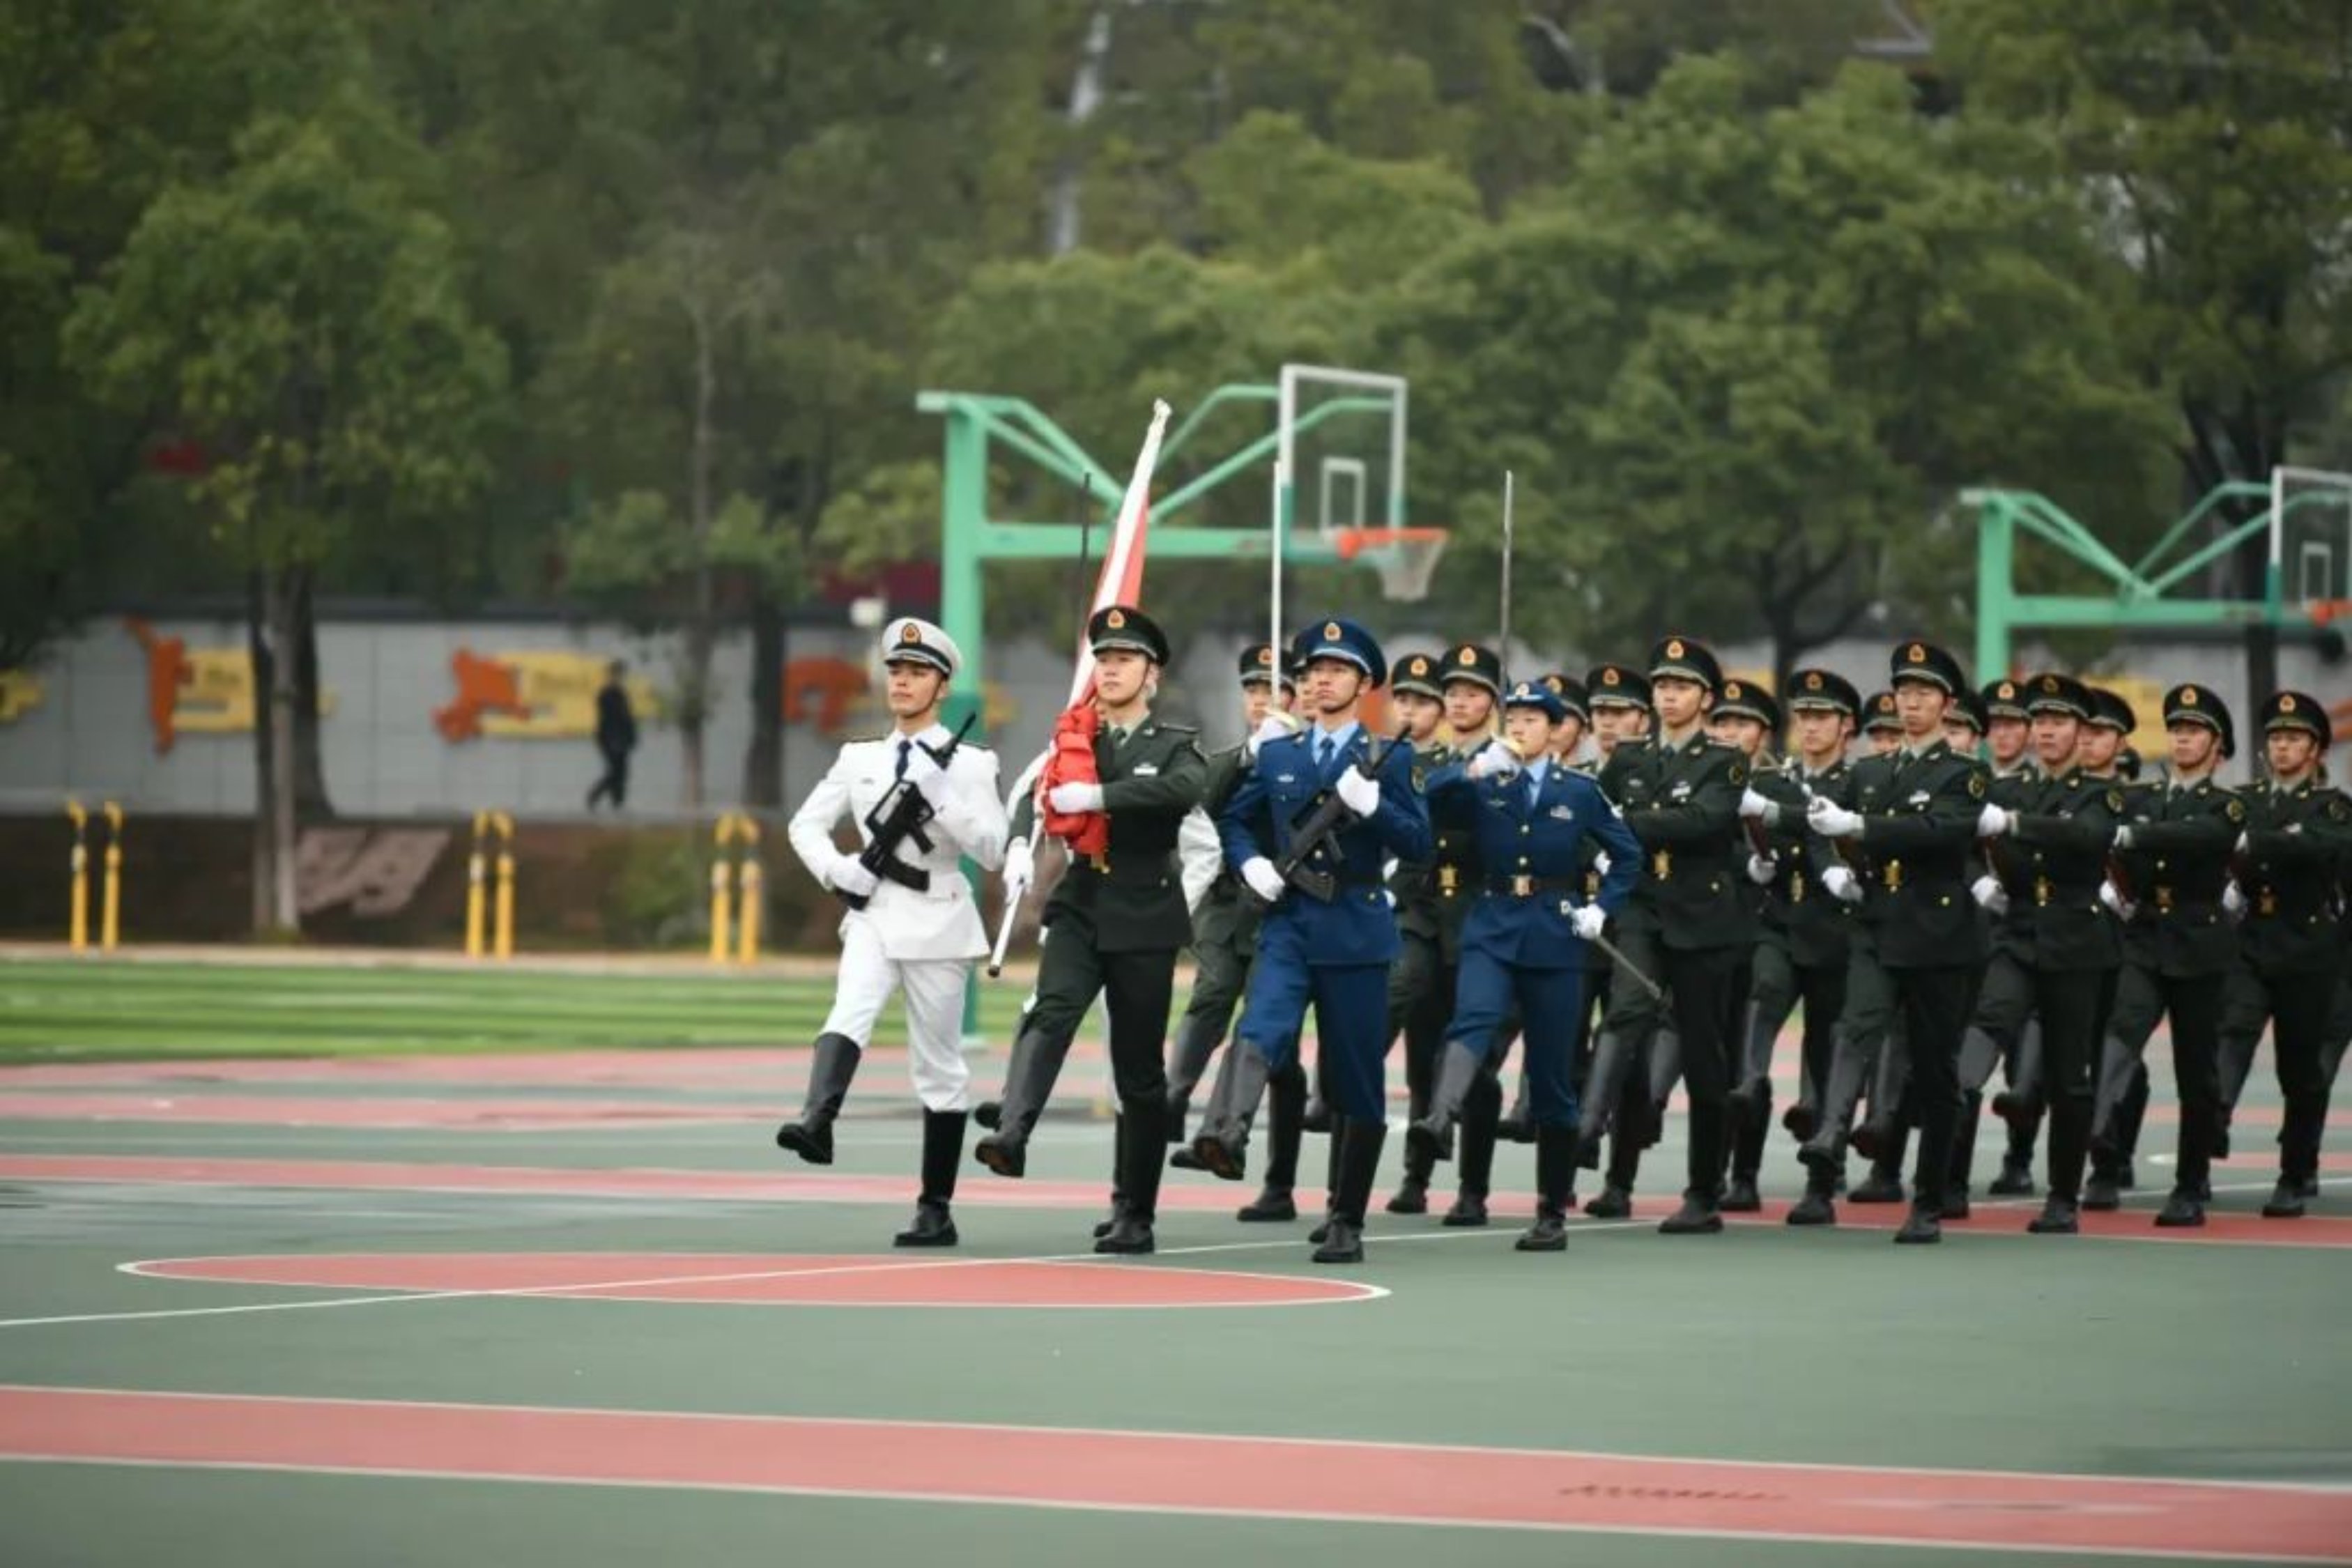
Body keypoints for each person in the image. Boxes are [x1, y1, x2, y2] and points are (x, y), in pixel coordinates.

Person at [1191, 617, 1432, 1265]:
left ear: (1363, 683)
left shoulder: (1391, 758)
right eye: (1312, 672)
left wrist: (1374, 805)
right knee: (1260, 1027)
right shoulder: (1280, 754)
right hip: (1290, 923)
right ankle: (1225, 1132)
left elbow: (1419, 843)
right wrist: (1251, 864)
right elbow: (1233, 821)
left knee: (1354, 1081)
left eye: (1335, 671)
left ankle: (1345, 1217)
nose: (1320, 681)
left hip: (1356, 930)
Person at [972, 605, 1206, 1256]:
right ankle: (1012, 1132)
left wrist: (1100, 798)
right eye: (1102, 659)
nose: (1110, 670)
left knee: (1138, 1071)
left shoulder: (1173, 743)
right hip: (1081, 900)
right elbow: (1034, 792)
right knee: (1052, 1009)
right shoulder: (1074, 738)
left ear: (1151, 674)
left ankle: (1134, 1210)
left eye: (1124, 660)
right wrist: (1019, 845)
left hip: (1144, 909)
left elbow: (1183, 791)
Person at [775, 618, 1008, 1247]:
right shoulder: (860, 758)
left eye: (917, 673)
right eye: (896, 671)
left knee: (939, 1069)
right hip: (875, 912)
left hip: (939, 921)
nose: (902, 682)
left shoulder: (971, 763)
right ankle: (816, 1120)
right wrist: (838, 869)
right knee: (849, 1008)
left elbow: (992, 850)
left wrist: (943, 798)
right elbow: (804, 826)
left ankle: (935, 1207)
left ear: (942, 686)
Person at [1408, 680, 1640, 1250]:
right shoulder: (1485, 782)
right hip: (1492, 924)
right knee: (1472, 1019)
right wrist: (1470, 770)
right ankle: (1439, 1118)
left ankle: (1550, 1212)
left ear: (1556, 731)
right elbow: (1423, 802)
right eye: (1513, 718)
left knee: (1551, 1074)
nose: (1519, 727)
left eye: (1533, 719)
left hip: (1555, 934)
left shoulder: (1578, 791)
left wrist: (1601, 909)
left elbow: (1627, 854)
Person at [1803, 642, 1988, 1245]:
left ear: (1946, 704)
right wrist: (1832, 867)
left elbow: (1941, 832)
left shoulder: (1963, 773)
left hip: (1938, 934)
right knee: (1855, 1024)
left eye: (1923, 693)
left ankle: (1929, 1198)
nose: (1910, 703)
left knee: (1933, 1071)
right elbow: (1819, 824)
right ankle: (1830, 1132)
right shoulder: (1870, 772)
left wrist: (1860, 826)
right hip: (1876, 924)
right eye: (1903, 692)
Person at [1585, 636, 1754, 1235]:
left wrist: (1624, 826)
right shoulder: (1630, 757)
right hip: (1642, 909)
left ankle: (1703, 1191)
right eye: (1660, 685)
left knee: (1704, 1055)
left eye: (1680, 686)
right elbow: (1593, 814)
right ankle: (1590, 1129)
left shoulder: (1724, 759)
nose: (1667, 696)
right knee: (1625, 1012)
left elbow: (1703, 821)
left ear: (1705, 698)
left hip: (1703, 920)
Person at [1972, 673, 2127, 1235]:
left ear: (2081, 731)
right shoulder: (2012, 789)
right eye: (2038, 721)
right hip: (2017, 932)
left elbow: (2086, 837)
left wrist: (2013, 826)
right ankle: (1946, 1122)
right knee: (1986, 1023)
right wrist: (1981, 875)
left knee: (2067, 1077)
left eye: (2058, 722)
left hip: (2075, 941)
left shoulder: (2100, 794)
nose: (2045, 731)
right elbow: (1973, 839)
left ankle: (2062, 1196)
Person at [2090, 682, 2243, 1227]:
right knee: (2119, 1030)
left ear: (2216, 746)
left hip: (2199, 941)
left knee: (2194, 1071)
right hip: (2144, 934)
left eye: (2194, 731)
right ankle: (2099, 1133)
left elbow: (2201, 838)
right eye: (2176, 729)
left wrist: (2133, 838)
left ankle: (2189, 1182)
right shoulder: (2142, 799)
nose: (2181, 738)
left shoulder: (2226, 805)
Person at [1383, 643, 1505, 1224]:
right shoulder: (1427, 762)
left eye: (1472, 693)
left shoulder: (1505, 764)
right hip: (1425, 915)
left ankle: (1472, 1189)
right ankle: (1416, 1174)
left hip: (1480, 920)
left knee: (1474, 1062)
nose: (1459, 702)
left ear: (1492, 702)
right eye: (1452, 692)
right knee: (1420, 1052)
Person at [1740, 668, 1860, 1226]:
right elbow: (1751, 837)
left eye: (1821, 717)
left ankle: (1820, 1181)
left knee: (1825, 1050)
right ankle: (1749, 1088)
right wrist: (1755, 865)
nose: (1809, 726)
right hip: (1781, 921)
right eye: (1803, 716)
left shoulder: (1858, 783)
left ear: (1845, 725)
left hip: (1837, 932)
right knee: (1762, 992)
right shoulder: (1775, 783)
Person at [2229, 692, 2352, 1217]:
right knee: (2230, 1031)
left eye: (2294, 738)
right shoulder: (2243, 800)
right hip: (2251, 941)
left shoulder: (2332, 807)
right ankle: (2211, 1125)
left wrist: (2251, 844)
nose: (2282, 747)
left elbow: (2318, 846)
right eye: (2276, 738)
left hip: (2311, 950)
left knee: (2301, 1069)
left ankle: (2295, 1171)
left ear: (2315, 750)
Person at [586, 660, 638, 810]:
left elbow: (627, 718)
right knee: (615, 771)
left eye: (621, 674)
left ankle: (618, 802)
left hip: (621, 738)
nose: (620, 677)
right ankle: (596, 795)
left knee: (622, 771)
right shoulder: (607, 694)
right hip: (610, 738)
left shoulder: (621, 693)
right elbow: (610, 718)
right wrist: (610, 739)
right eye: (617, 674)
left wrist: (631, 736)